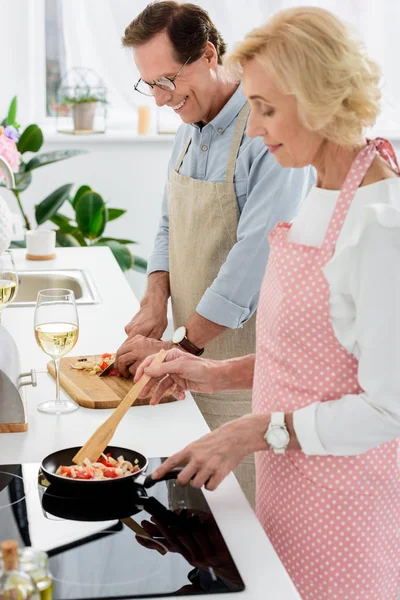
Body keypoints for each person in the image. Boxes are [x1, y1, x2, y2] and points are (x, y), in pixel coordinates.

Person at [135, 6, 400, 599]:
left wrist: (255, 431)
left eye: (267, 108)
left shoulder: (382, 225)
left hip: (345, 513)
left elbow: (388, 409)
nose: (252, 130)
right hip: (289, 488)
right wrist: (211, 370)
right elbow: (322, 357)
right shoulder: (323, 192)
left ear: (325, 96)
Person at [116, 1, 313, 506]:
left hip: (245, 379)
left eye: (166, 81)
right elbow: (168, 221)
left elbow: (254, 258)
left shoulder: (268, 131)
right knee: (192, 524)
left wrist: (185, 347)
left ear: (207, 54)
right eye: (149, 85)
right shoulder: (188, 126)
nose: (160, 100)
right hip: (188, 363)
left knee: (243, 532)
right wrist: (154, 298)